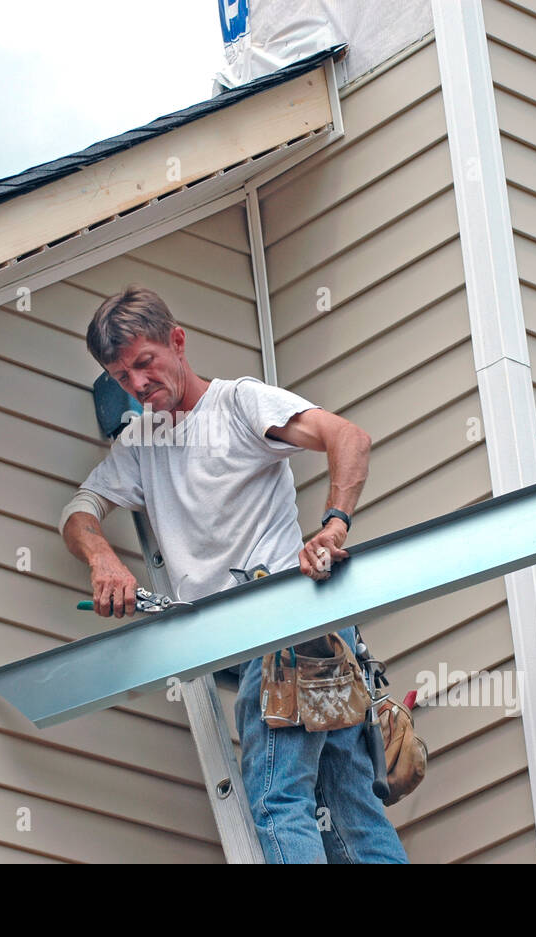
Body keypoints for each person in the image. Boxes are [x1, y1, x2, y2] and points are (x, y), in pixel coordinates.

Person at [58, 284, 408, 864]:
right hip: (290, 638)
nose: (138, 383)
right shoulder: (142, 444)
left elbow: (348, 437)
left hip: (280, 624)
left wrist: (333, 527)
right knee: (349, 811)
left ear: (177, 341)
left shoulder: (238, 404)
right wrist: (102, 558)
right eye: (122, 377)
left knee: (276, 799)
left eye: (145, 362)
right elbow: (79, 511)